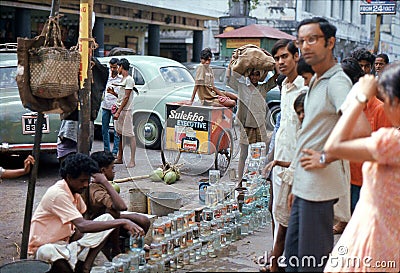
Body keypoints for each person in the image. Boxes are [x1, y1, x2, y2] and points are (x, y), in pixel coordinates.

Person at [284, 17, 355, 272]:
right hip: (305, 188)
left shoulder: (337, 82)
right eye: (301, 41)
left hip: (319, 191)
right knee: (291, 261)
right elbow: (311, 136)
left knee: (310, 266)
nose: (305, 46)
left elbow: (358, 129)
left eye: (312, 39)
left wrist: (325, 157)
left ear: (330, 42)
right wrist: (295, 185)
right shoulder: (316, 80)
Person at [323, 63, 400, 273]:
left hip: (374, 243)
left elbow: (333, 147)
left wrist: (358, 99)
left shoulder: (393, 142)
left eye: (386, 99)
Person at [28, 153, 145, 273]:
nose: (85, 184)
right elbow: (82, 226)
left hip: (66, 244)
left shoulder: (75, 194)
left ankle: (86, 267)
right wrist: (122, 221)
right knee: (47, 251)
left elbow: (80, 228)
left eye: (87, 180)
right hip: (45, 248)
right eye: (82, 181)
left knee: (107, 218)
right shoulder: (58, 194)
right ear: (69, 177)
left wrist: (81, 244)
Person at [263, 39, 307, 272]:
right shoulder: (286, 88)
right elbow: (282, 130)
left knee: (292, 221)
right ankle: (275, 261)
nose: (280, 62)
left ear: (296, 56)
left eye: (285, 57)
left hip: (297, 166)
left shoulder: (305, 87)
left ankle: (283, 263)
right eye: (277, 58)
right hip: (279, 164)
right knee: (277, 212)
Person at [84, 151, 150, 259]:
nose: (114, 172)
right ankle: (115, 250)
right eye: (112, 168)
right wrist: (105, 182)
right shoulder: (95, 189)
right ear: (103, 171)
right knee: (113, 211)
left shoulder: (101, 185)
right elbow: (121, 207)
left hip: (111, 219)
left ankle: (132, 244)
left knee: (143, 221)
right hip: (99, 225)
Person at [227, 65, 278, 181]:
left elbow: (276, 77)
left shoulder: (263, 88)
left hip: (260, 127)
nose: (254, 77)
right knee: (243, 155)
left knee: (261, 155)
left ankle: (260, 179)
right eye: (252, 74)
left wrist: (273, 64)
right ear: (248, 75)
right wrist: (231, 65)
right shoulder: (241, 87)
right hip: (246, 127)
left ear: (260, 76)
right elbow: (229, 79)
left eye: (257, 74)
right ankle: (240, 180)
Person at [113, 58, 139, 168]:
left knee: (130, 135)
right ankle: (120, 157)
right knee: (120, 134)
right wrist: (113, 93)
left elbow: (127, 97)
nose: (117, 69)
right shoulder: (122, 79)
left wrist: (118, 111)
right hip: (120, 109)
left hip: (126, 111)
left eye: (118, 67)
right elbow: (122, 97)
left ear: (122, 67)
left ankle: (132, 160)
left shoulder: (129, 79)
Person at [101, 58, 121, 157]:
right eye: (111, 67)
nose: (113, 69)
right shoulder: (106, 75)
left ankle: (115, 152)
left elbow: (123, 96)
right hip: (105, 105)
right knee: (104, 129)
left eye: (114, 67)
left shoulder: (121, 78)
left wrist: (113, 93)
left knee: (117, 130)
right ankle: (106, 150)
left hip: (116, 106)